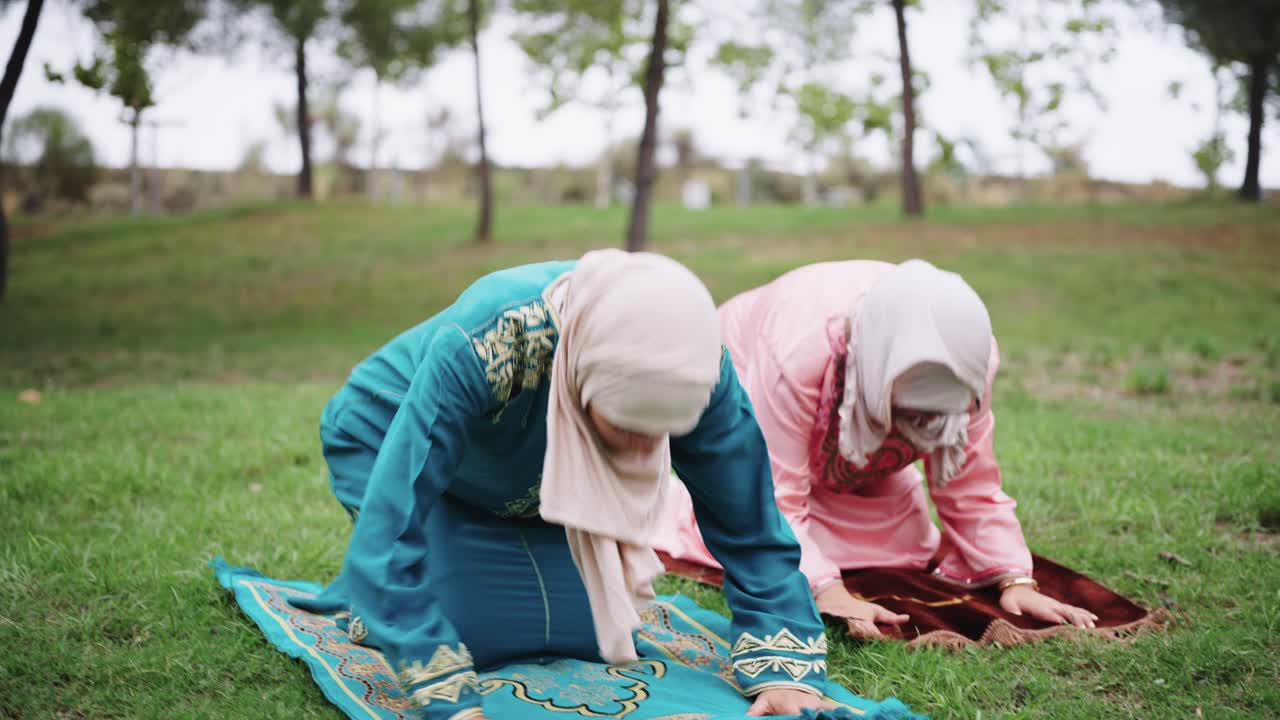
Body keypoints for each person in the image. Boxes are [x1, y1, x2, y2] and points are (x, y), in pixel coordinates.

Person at [295, 250, 832, 720]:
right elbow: (400, 507)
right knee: (469, 637)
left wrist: (783, 666)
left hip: (540, 490)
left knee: (596, 640)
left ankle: (418, 580)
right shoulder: (491, 341)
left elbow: (747, 514)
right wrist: (452, 704)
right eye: (625, 426)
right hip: (400, 450)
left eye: (662, 434)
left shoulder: (698, 367)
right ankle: (374, 593)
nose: (643, 455)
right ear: (584, 380)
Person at [656, 259, 1098, 640]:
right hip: (755, 392)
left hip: (846, 423)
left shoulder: (971, 366)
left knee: (903, 546)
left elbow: (970, 480)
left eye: (934, 418)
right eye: (907, 413)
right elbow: (775, 492)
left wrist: (1014, 578)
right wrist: (827, 590)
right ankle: (687, 508)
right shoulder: (796, 353)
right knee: (746, 527)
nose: (918, 430)